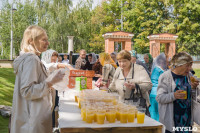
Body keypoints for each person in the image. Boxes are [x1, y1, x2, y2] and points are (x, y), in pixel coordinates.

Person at [11, 25, 64, 133]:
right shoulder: (31, 60)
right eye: (44, 40)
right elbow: (27, 91)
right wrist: (50, 82)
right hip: (32, 121)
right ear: (31, 41)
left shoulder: (30, 58)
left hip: (31, 118)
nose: (48, 43)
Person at [156, 52, 199, 133]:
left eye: (191, 66)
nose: (190, 68)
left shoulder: (189, 76)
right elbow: (159, 98)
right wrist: (174, 95)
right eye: (187, 66)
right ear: (179, 65)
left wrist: (193, 88)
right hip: (172, 122)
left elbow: (193, 96)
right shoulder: (165, 76)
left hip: (186, 120)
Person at [149, 53, 167, 121]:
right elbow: (156, 82)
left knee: (157, 113)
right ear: (161, 62)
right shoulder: (158, 70)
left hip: (156, 94)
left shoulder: (159, 70)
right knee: (155, 113)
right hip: (156, 94)